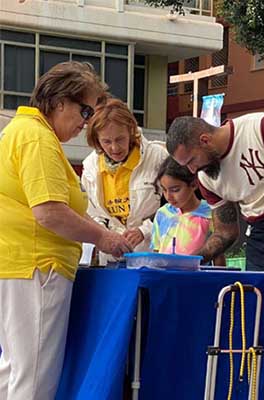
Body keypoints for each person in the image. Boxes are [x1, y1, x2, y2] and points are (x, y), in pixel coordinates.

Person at [0, 61, 131, 400]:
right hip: (37, 265)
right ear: (60, 102)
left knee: (15, 370)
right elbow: (49, 212)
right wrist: (104, 237)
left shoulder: (22, 130)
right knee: (34, 380)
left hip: (20, 263)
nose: (86, 122)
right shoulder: (37, 137)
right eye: (85, 110)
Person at [166, 111, 264, 400]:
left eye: (191, 160)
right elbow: (226, 232)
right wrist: (192, 260)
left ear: (204, 139)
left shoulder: (263, 128)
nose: (191, 171)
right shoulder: (207, 177)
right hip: (259, 247)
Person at [82, 98, 168, 265]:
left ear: (131, 131)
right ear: (97, 140)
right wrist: (104, 235)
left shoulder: (157, 157)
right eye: (106, 141)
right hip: (109, 257)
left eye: (120, 139)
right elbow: (92, 213)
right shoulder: (90, 167)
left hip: (150, 255)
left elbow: (176, 207)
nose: (114, 148)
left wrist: (145, 230)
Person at [151, 156, 225, 265]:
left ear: (194, 184)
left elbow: (218, 254)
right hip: (166, 278)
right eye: (164, 190)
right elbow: (156, 251)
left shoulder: (210, 213)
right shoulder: (162, 214)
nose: (168, 196)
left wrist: (220, 280)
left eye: (175, 190)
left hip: (197, 278)